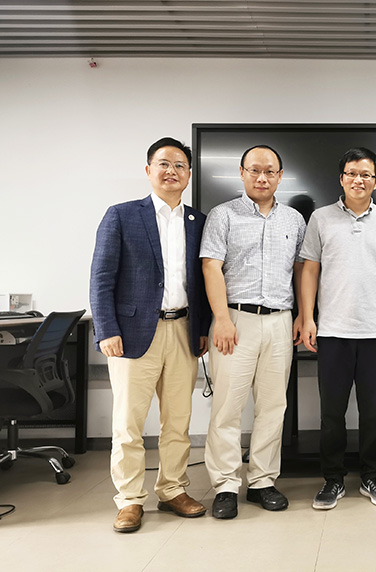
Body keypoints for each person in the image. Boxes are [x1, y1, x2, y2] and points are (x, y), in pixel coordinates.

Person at [90, 137, 211, 533]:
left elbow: (203, 282)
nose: (171, 171)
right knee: (129, 422)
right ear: (148, 170)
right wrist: (106, 329)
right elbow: (101, 278)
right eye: (163, 163)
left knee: (178, 420)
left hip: (183, 330)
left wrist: (202, 329)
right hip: (131, 334)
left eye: (179, 165)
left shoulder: (198, 222)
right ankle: (129, 499)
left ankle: (172, 489)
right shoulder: (122, 215)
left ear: (189, 175)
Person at [200, 145, 306, 519]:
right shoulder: (223, 215)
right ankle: (226, 485)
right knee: (227, 407)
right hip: (235, 320)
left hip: (280, 321)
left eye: (270, 171)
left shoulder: (294, 219)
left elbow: (300, 271)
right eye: (255, 170)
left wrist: (301, 315)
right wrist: (221, 319)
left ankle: (262, 481)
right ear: (242, 173)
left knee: (273, 406)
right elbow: (211, 267)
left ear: (280, 176)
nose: (262, 178)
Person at [299, 148, 376, 510]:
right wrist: (308, 317)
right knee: (332, 414)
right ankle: (333, 479)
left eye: (365, 174)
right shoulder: (320, 218)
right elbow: (310, 270)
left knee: (374, 412)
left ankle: (372, 476)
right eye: (351, 173)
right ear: (341, 178)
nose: (358, 180)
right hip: (333, 331)